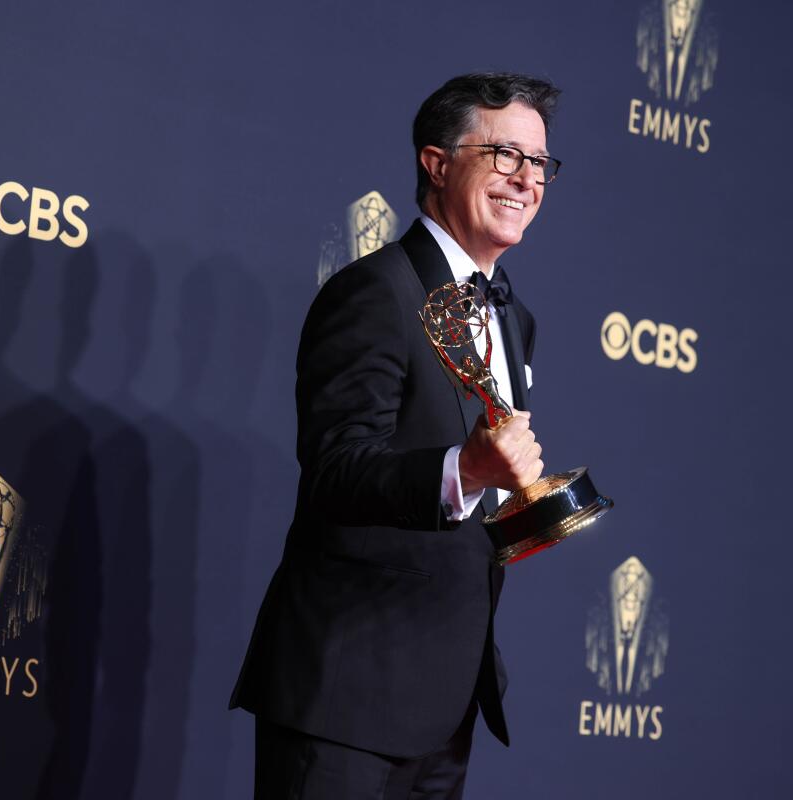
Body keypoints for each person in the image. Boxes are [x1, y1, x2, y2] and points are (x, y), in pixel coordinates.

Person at [229, 72, 562, 799]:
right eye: (505, 154)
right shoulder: (373, 293)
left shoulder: (515, 319)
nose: (526, 179)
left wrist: (517, 511)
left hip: (447, 702)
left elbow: (467, 493)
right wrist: (465, 470)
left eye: (539, 163)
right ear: (436, 163)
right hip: (346, 692)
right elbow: (336, 470)